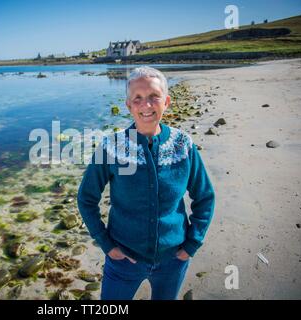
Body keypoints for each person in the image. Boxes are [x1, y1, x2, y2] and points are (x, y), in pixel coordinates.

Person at [77, 66, 215, 300]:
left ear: (167, 101)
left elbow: (205, 197)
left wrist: (192, 244)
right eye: (138, 99)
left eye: (154, 97)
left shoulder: (184, 145)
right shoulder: (111, 147)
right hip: (123, 262)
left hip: (174, 260)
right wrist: (107, 245)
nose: (146, 105)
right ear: (128, 105)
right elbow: (86, 199)